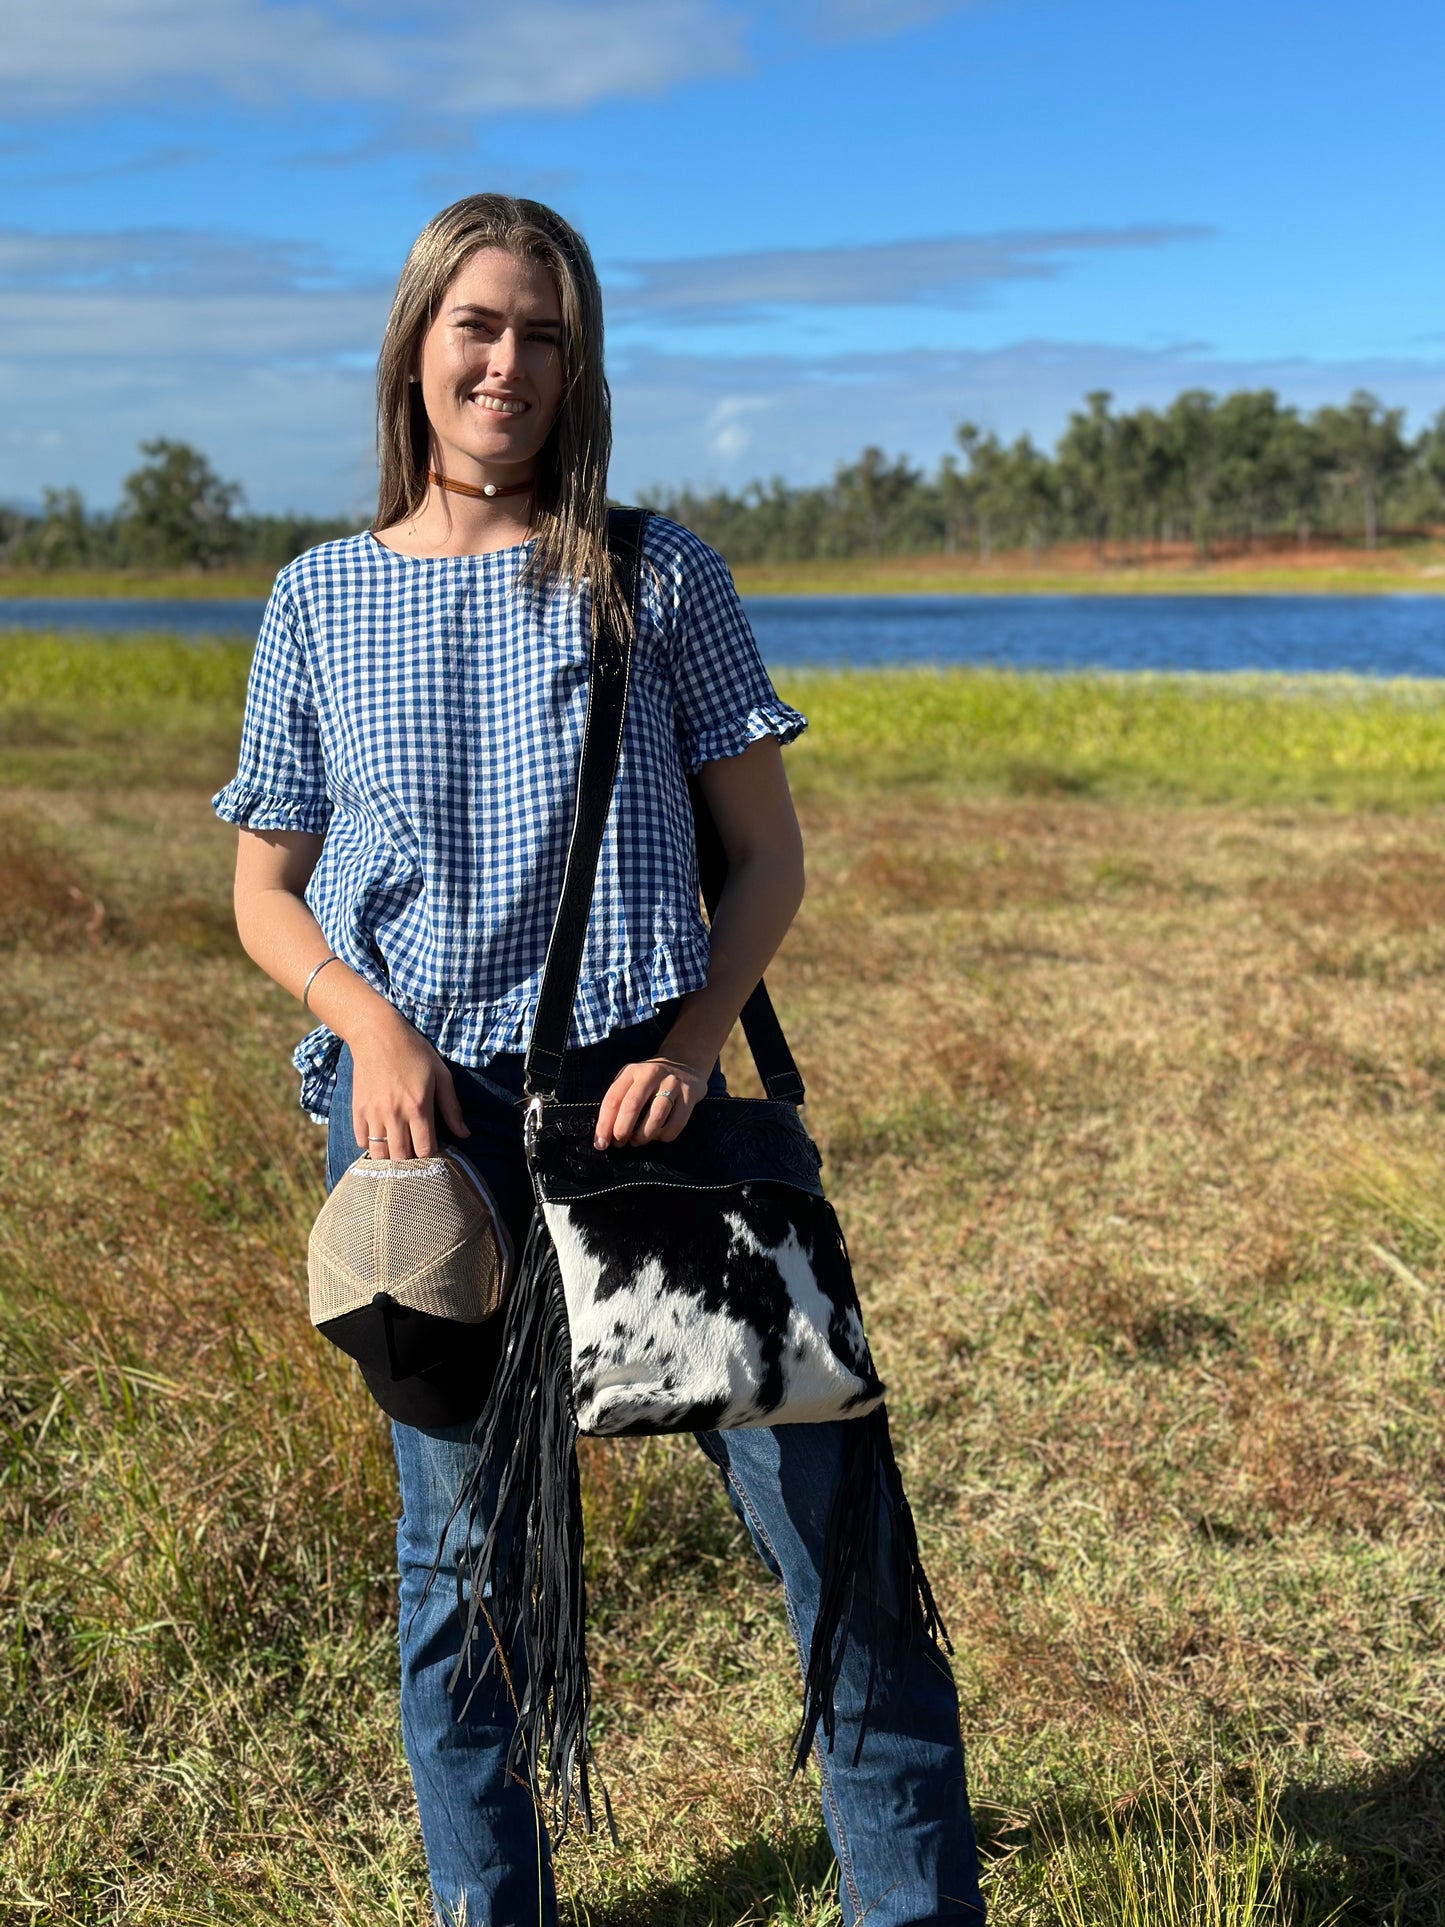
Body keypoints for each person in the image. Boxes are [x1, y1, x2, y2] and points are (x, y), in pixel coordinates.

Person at [214, 193, 984, 1927]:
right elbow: (265, 890)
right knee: (463, 1571)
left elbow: (766, 856)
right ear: (416, 343)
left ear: (580, 365)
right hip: (428, 1140)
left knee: (834, 1532)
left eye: (544, 335)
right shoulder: (321, 599)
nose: (509, 364)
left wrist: (700, 1046)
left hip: (654, 1111)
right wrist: (367, 1020)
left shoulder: (653, 570)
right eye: (478, 325)